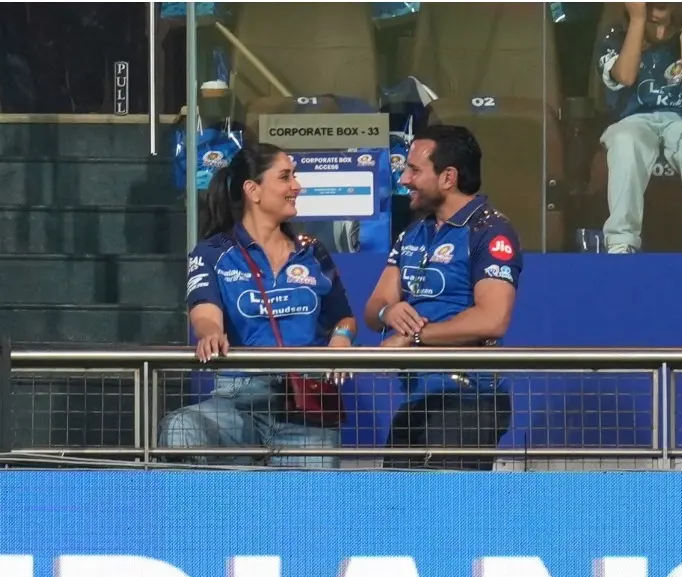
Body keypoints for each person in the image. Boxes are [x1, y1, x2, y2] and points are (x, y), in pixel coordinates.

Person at [159, 143, 357, 467]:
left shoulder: (312, 252)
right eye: (285, 177)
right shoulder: (213, 251)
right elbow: (205, 309)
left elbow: (344, 318)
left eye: (294, 176)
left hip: (304, 409)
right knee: (181, 428)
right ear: (253, 190)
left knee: (313, 513)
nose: (297, 186)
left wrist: (341, 339)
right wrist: (210, 333)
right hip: (237, 401)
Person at [363, 125, 521, 470]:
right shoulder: (413, 232)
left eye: (414, 170)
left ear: (448, 177)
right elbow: (374, 309)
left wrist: (415, 337)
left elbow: (492, 319)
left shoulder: (489, 230)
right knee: (397, 512)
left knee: (449, 517)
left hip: (469, 400)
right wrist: (391, 311)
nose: (403, 179)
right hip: (418, 399)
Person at [597, 2, 682, 254]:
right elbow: (624, 76)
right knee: (625, 141)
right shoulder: (615, 36)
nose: (659, 32)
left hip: (679, 120)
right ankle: (621, 241)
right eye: (652, 17)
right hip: (631, 119)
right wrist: (637, 20)